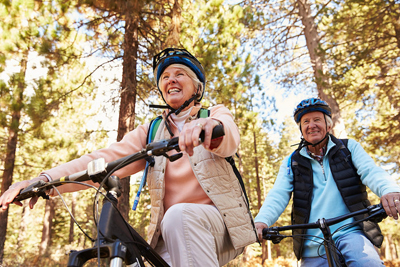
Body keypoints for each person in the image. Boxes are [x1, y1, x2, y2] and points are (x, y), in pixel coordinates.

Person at [0, 47, 257, 266]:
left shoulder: (212, 114)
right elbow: (101, 159)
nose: (171, 80)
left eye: (180, 74)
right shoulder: (152, 131)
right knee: (135, 260)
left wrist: (207, 128)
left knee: (180, 216)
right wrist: (43, 180)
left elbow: (229, 138)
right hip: (172, 232)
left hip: (220, 228)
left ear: (196, 87)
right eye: (165, 77)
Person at [255, 98, 400, 266]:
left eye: (317, 119)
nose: (311, 125)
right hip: (311, 242)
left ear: (329, 125)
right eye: (306, 122)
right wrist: (262, 221)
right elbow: (278, 194)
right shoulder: (292, 161)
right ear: (301, 130)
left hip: (352, 233)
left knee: (368, 264)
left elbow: (371, 172)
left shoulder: (348, 148)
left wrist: (389, 190)